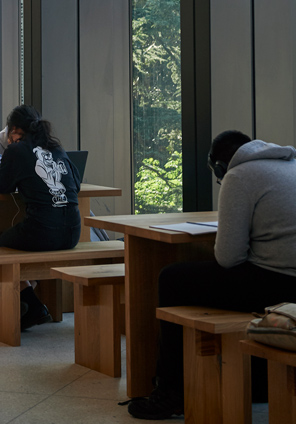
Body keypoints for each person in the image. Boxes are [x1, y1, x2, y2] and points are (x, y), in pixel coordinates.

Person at [127, 130, 296, 420]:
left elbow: (229, 258)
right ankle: (257, 383)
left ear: (219, 166)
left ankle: (171, 394)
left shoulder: (239, 176)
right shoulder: (289, 165)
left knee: (171, 279)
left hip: (276, 284)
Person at [0, 104, 81, 330]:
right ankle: (31, 299)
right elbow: (77, 185)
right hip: (73, 233)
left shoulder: (17, 150)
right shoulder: (56, 148)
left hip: (43, 232)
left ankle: (32, 305)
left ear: (13, 130)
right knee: (30, 244)